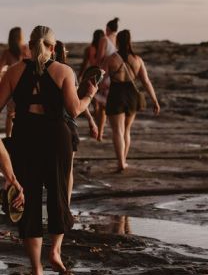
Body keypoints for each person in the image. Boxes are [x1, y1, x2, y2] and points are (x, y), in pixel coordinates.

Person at [0, 26, 97, 275]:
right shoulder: (64, 71)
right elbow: (74, 110)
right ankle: (55, 251)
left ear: (30, 46)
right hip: (56, 137)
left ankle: (37, 269)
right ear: (53, 47)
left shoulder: (13, 72)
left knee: (28, 200)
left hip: (24, 138)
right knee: (58, 193)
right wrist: (89, 95)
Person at [104, 30, 160, 172]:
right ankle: (124, 160)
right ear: (130, 42)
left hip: (116, 94)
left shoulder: (111, 59)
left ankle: (121, 162)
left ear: (117, 41)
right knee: (126, 130)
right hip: (132, 96)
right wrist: (154, 100)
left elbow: (101, 79)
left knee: (117, 131)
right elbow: (146, 81)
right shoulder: (137, 60)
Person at [55, 41, 99, 203]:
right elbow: (76, 101)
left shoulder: (43, 72)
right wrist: (91, 121)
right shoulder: (68, 72)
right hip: (68, 124)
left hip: (47, 124)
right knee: (68, 170)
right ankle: (65, 205)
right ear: (64, 53)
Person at [0, 27, 30, 137]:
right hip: (26, 84)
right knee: (25, 112)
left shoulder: (7, 53)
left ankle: (9, 137)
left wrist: (3, 75)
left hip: (11, 85)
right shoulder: (26, 49)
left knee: (10, 114)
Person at [94, 18, 119, 142]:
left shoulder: (104, 39)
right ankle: (104, 131)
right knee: (106, 105)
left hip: (104, 74)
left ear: (108, 28)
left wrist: (95, 73)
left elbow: (99, 58)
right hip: (115, 76)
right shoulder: (117, 40)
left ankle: (100, 131)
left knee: (99, 104)